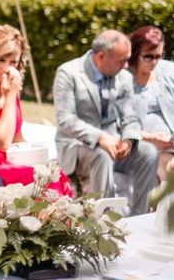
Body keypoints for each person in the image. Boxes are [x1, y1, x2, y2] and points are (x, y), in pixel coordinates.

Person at [53, 29, 159, 215]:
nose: (126, 65)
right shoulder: (68, 73)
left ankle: (139, 216)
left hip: (115, 145)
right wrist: (100, 137)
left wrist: (129, 139)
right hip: (78, 147)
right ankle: (104, 222)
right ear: (101, 57)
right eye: (121, 60)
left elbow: (131, 117)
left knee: (149, 153)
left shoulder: (124, 77)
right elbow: (66, 120)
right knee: (101, 156)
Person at [0, 25, 73, 195]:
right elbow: (1, 142)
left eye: (13, 62)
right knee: (41, 180)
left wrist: (38, 158)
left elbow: (17, 138)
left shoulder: (10, 89)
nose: (7, 68)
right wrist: (10, 95)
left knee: (54, 174)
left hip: (11, 162)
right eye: (1, 60)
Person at [128, 25, 174, 182]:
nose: (155, 62)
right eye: (148, 56)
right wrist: (150, 138)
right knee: (169, 167)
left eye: (159, 56)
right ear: (135, 54)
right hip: (141, 142)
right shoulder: (122, 78)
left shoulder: (171, 70)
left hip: (173, 142)